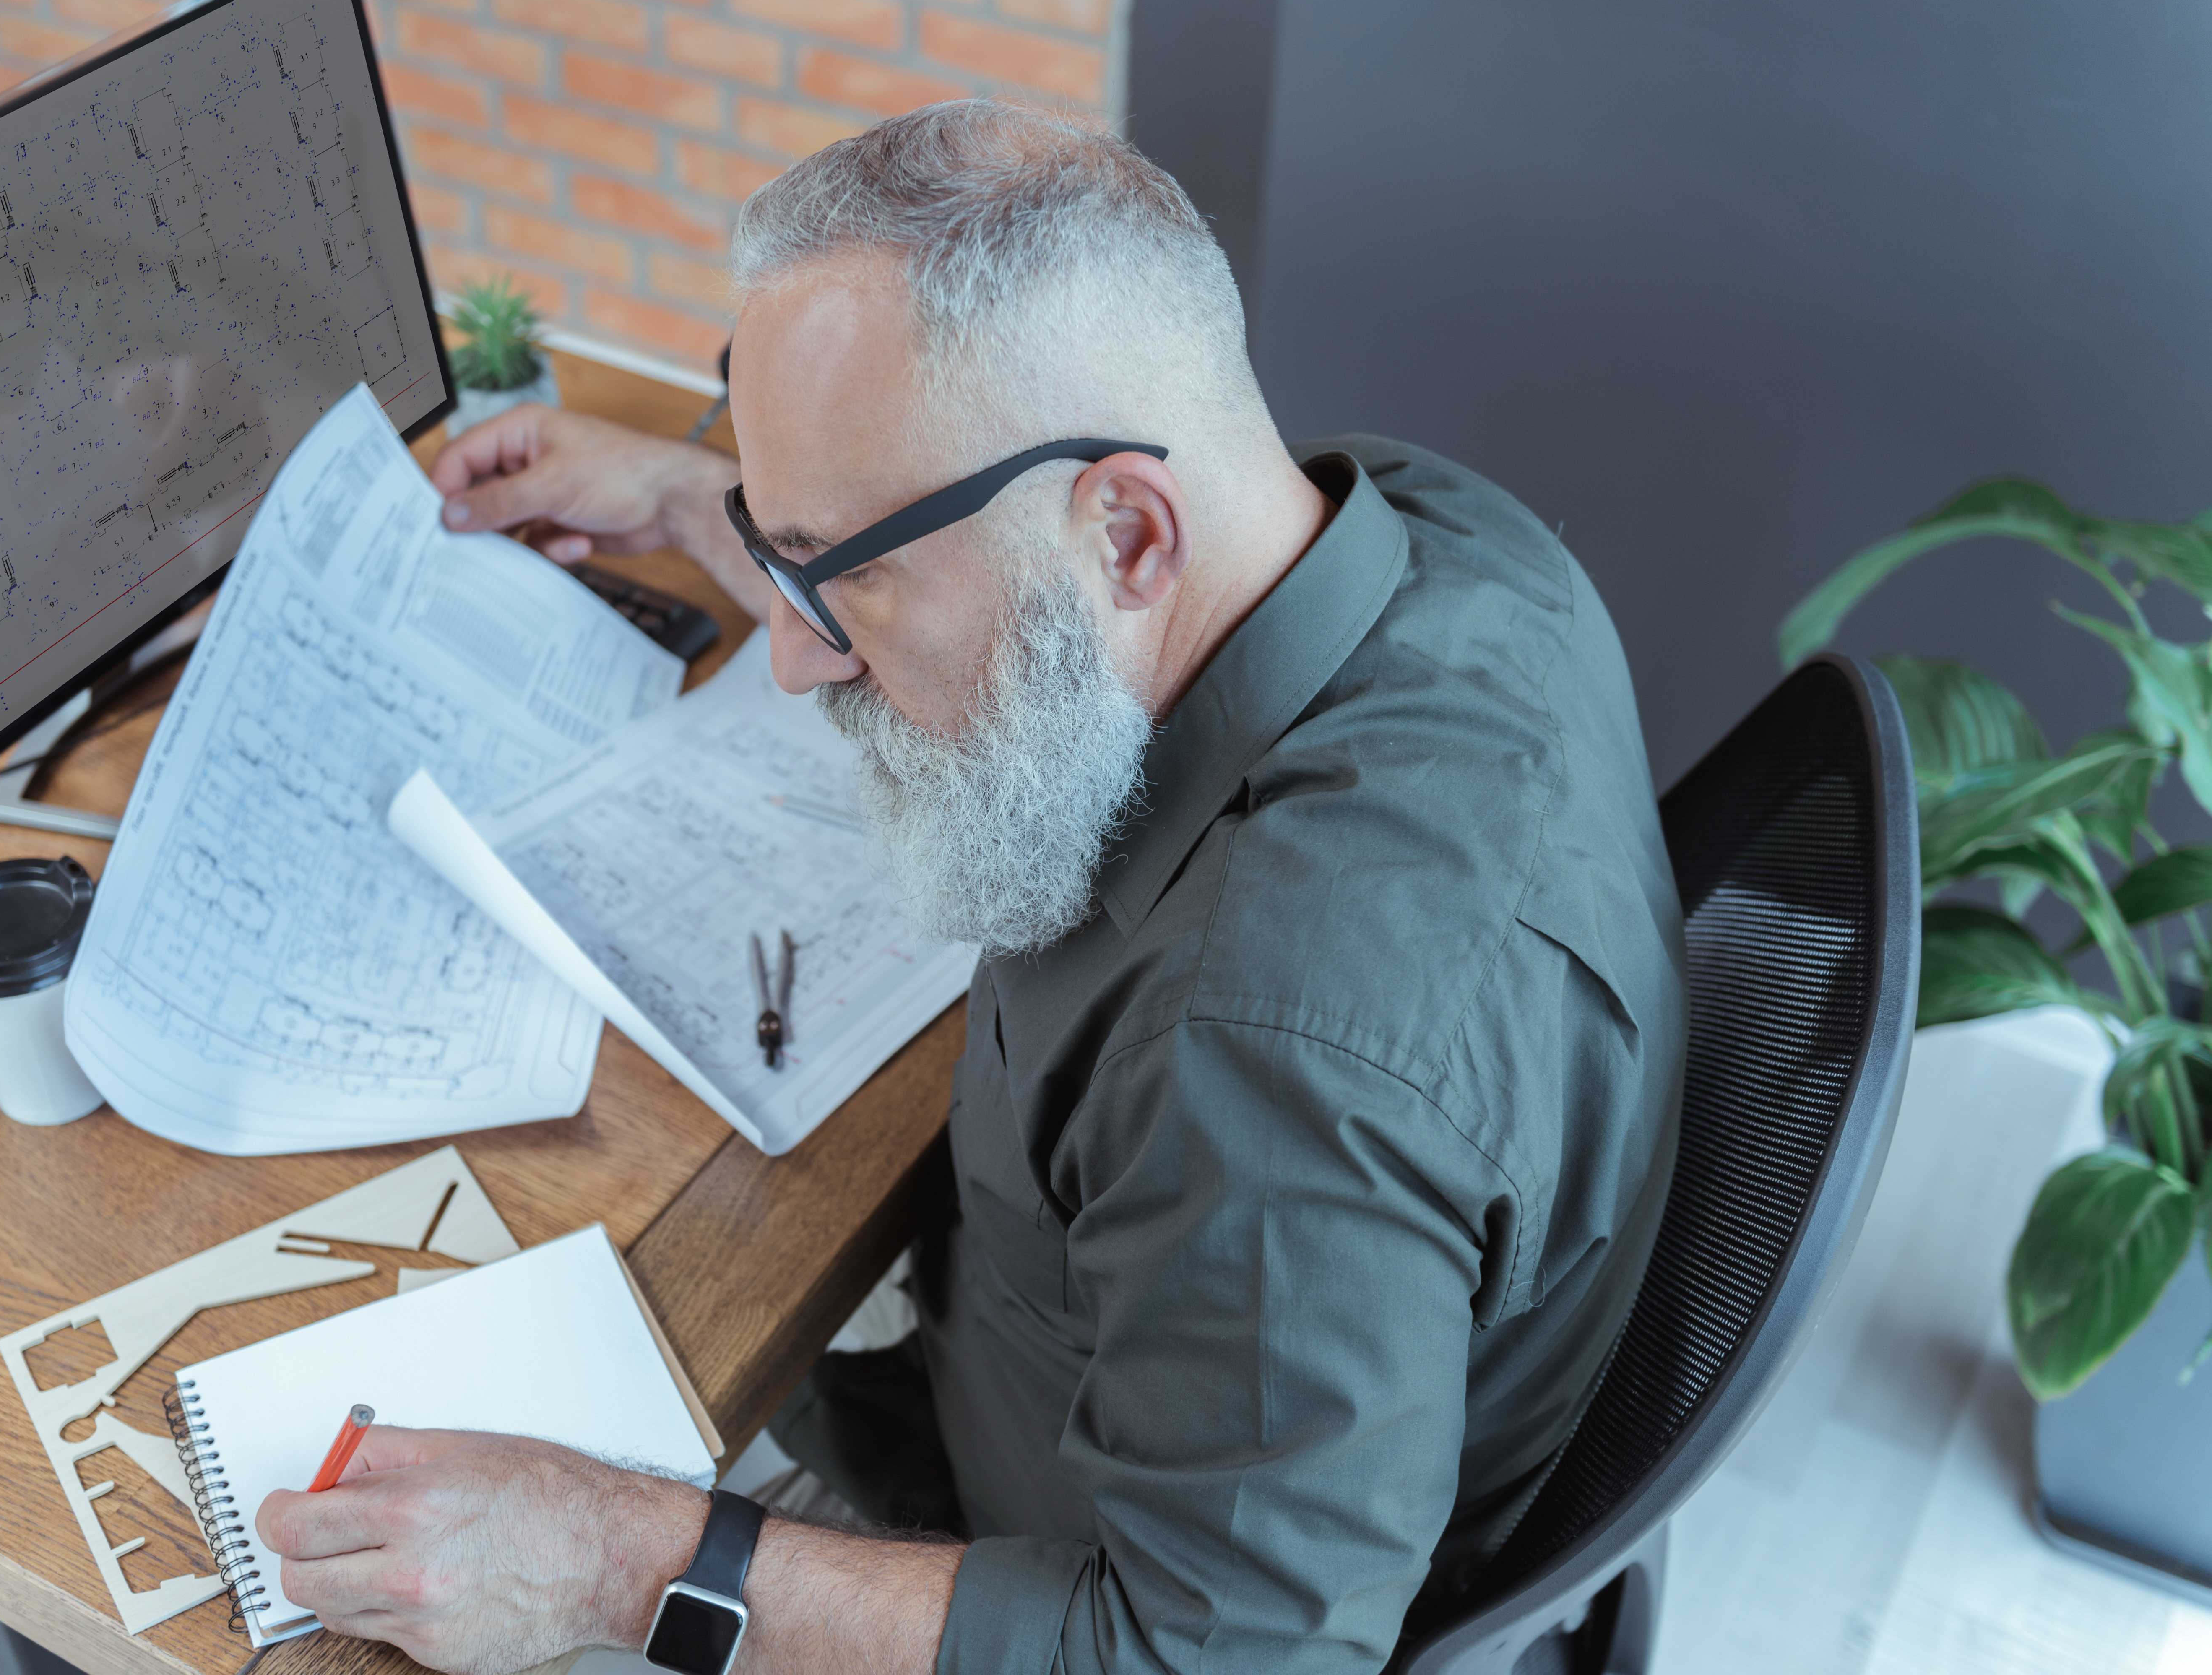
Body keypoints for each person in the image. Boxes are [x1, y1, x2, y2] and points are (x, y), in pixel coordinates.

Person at [255, 99, 1687, 1674]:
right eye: (782, 551)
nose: (794, 664)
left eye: (845, 574)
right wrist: (693, 507)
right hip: (1075, 1360)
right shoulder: (1435, 541)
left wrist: (614, 1565)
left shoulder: (1265, 1069)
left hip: (1065, 1559)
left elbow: (1219, 1661)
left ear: (1129, 532)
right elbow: (1026, 596)